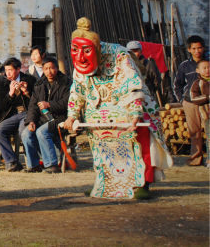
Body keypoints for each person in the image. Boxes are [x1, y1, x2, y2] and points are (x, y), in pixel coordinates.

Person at [63, 17, 172, 199]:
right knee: (101, 147)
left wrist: (135, 112)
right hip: (98, 108)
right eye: (75, 51)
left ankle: (142, 184)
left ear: (96, 49)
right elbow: (78, 89)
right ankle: (104, 183)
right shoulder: (79, 63)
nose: (80, 57)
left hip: (127, 105)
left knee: (138, 143)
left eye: (87, 51)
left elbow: (132, 86)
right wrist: (72, 116)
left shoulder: (119, 55)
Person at [20, 57, 71, 173]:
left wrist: (49, 104)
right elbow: (33, 105)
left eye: (52, 68)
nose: (49, 71)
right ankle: (34, 165)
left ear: (57, 68)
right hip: (43, 119)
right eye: (46, 68)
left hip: (61, 118)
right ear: (43, 69)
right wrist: (31, 121)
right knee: (26, 133)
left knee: (41, 132)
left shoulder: (65, 82)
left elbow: (68, 103)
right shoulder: (39, 84)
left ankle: (51, 164)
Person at [0, 57, 36, 171]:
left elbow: (36, 101)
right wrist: (10, 94)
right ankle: (12, 162)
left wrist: (26, 92)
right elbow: (1, 106)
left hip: (27, 113)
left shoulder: (30, 80)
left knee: (24, 131)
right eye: (6, 70)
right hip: (12, 115)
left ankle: (33, 163)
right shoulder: (2, 81)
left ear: (18, 69)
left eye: (10, 70)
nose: (8, 73)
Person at [173, 35, 207, 166]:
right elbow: (177, 85)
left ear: (203, 48)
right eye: (194, 48)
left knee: (208, 130)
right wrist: (182, 100)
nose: (197, 51)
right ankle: (196, 158)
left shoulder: (208, 63)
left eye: (199, 48)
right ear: (189, 50)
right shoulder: (185, 66)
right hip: (190, 102)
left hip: (207, 102)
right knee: (195, 132)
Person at [183, 59, 210, 166]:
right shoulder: (198, 83)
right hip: (207, 114)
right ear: (198, 70)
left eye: (209, 67)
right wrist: (207, 97)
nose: (207, 70)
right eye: (204, 68)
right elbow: (194, 98)